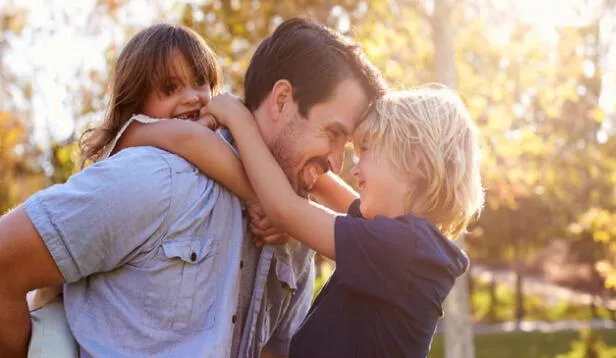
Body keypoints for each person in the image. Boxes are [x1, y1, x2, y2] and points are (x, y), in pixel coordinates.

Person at [0, 18, 386, 358]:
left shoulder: (295, 230)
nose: (337, 163)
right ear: (282, 100)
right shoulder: (160, 178)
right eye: (332, 135)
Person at [130, 87, 484, 357]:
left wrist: (240, 120)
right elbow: (327, 188)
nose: (355, 167)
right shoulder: (400, 240)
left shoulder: (403, 250)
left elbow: (284, 208)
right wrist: (290, 147)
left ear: (416, 160)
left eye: (368, 150)